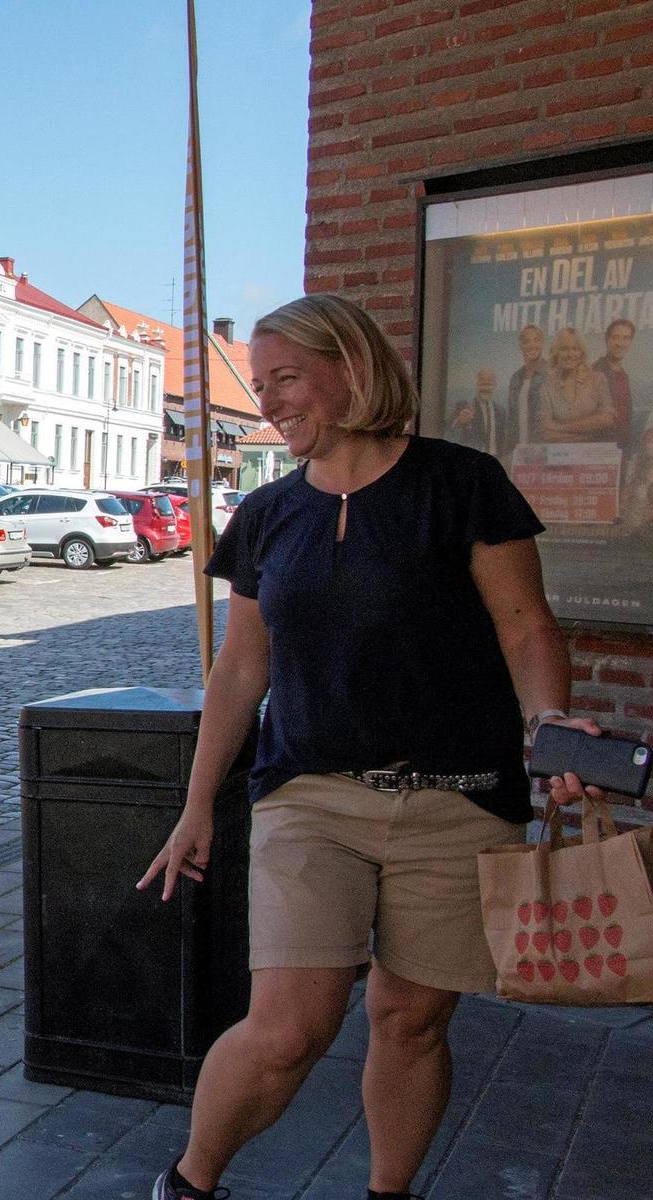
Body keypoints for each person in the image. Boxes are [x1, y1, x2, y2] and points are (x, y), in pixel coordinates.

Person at [138, 295, 606, 1200]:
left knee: (411, 1021)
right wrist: (197, 805)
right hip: (311, 796)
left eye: (283, 380)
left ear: (352, 368)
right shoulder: (268, 515)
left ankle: (388, 1191)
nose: (267, 402)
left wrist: (549, 725)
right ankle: (190, 1184)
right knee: (286, 1029)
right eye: (260, 384)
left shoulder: (462, 484)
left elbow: (524, 627)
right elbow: (240, 673)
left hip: (461, 801)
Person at [538, 326, 612, 442]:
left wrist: (561, 428)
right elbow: (546, 432)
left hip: (593, 454)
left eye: (575, 349)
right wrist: (587, 434)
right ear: (556, 353)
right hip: (560, 454)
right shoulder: (547, 386)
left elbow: (607, 418)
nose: (570, 354)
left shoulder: (598, 379)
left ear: (582, 353)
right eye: (564, 349)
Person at [447, 366, 511, 460]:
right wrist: (459, 421)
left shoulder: (501, 411)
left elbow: (503, 438)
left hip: (495, 461)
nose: (485, 388)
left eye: (489, 384)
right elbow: (448, 426)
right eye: (482, 384)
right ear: (477, 384)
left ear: (495, 385)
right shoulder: (464, 406)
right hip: (472, 460)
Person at [593, 317, 637, 450]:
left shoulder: (623, 374)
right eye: (616, 337)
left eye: (626, 338)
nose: (620, 343)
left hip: (621, 446)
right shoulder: (595, 370)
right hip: (600, 448)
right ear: (607, 340)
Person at [507, 323, 546, 443]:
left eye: (536, 340)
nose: (532, 345)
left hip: (543, 448)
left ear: (542, 343)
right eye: (526, 341)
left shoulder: (552, 374)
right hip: (518, 449)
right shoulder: (515, 378)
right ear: (521, 346)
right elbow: (511, 417)